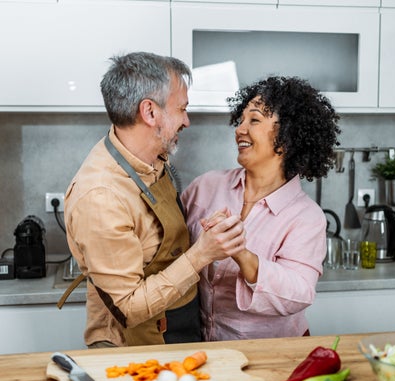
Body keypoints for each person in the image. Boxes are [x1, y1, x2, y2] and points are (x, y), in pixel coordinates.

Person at [58, 52, 246, 348]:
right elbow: (128, 308)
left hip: (179, 325)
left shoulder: (155, 158)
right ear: (150, 112)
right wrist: (202, 254)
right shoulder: (101, 197)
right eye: (182, 109)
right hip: (132, 343)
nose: (187, 120)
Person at [181, 76, 341, 341]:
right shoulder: (206, 186)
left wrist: (241, 254)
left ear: (287, 136)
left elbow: (299, 293)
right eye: (241, 120)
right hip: (204, 349)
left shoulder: (306, 217)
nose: (240, 129)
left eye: (254, 120)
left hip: (273, 353)